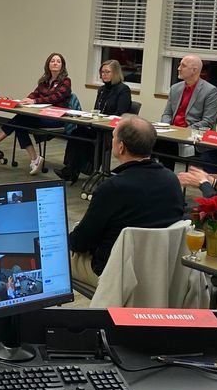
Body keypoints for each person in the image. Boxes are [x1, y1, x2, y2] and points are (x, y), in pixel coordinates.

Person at [68, 116, 186, 284]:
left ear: (121, 147)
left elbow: (80, 243)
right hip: (159, 271)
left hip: (115, 273)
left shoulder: (111, 187)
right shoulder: (172, 180)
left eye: (113, 137)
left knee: (56, 257)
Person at [0, 53, 72, 175]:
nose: (55, 63)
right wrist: (24, 100)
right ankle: (34, 159)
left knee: (20, 121)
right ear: (48, 64)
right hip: (40, 115)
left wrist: (35, 101)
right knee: (20, 125)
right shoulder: (44, 81)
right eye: (52, 61)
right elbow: (34, 93)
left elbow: (55, 98)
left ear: (62, 66)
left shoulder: (66, 81)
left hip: (55, 118)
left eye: (58, 61)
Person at [57, 59, 132, 184]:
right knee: (77, 132)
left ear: (116, 73)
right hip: (98, 126)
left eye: (107, 72)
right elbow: (97, 109)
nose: (104, 75)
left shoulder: (123, 90)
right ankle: (70, 168)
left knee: (90, 139)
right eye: (102, 72)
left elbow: (121, 113)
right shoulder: (102, 89)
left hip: (111, 130)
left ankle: (85, 169)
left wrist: (103, 119)